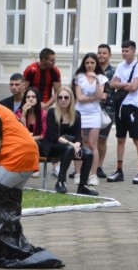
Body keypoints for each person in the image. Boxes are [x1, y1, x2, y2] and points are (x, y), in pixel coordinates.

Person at [41, 87, 99, 196]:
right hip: (52, 146)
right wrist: (72, 144)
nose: (63, 100)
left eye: (66, 97)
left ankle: (83, 185)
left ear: (71, 99)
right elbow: (53, 136)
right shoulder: (51, 112)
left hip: (69, 147)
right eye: (60, 97)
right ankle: (61, 181)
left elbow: (78, 136)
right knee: (69, 148)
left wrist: (77, 144)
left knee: (88, 154)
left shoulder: (76, 114)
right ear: (57, 99)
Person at [107, 40, 138, 184]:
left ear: (134, 51)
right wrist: (125, 84)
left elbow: (135, 87)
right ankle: (119, 170)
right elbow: (112, 84)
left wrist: (121, 84)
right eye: (122, 51)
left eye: (127, 51)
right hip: (120, 106)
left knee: (136, 139)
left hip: (132, 106)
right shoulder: (120, 66)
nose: (124, 54)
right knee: (120, 139)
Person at [71, 53, 107, 187]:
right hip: (80, 113)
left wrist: (97, 80)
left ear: (96, 63)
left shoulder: (102, 78)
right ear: (84, 64)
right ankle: (78, 173)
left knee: (93, 144)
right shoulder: (78, 77)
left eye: (92, 62)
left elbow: (100, 94)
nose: (90, 65)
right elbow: (79, 97)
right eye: (87, 63)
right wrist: (95, 98)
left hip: (94, 114)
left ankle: (93, 175)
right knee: (79, 143)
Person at [96, 43, 116, 178]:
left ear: (110, 55)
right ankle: (83, 166)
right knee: (87, 140)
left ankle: (98, 167)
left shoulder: (114, 72)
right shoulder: (92, 70)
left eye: (104, 53)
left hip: (108, 110)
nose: (101, 55)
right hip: (92, 109)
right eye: (99, 53)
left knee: (101, 140)